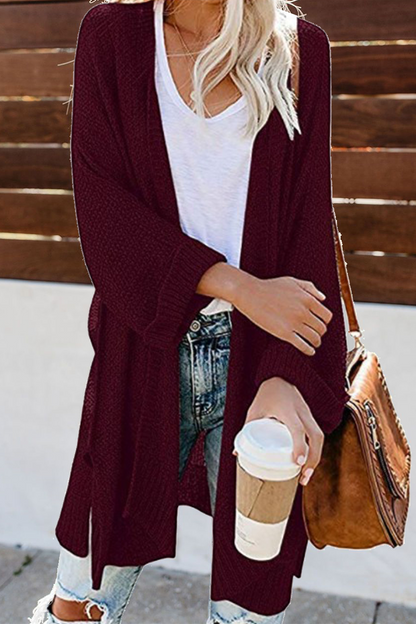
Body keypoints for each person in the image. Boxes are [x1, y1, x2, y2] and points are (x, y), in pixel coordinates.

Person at [29, 0, 349, 622]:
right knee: (80, 597)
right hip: (141, 350)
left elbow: (308, 233)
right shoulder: (112, 37)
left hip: (260, 360)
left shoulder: (300, 51)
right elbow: (104, 216)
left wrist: (286, 376)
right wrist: (240, 288)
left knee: (248, 605)